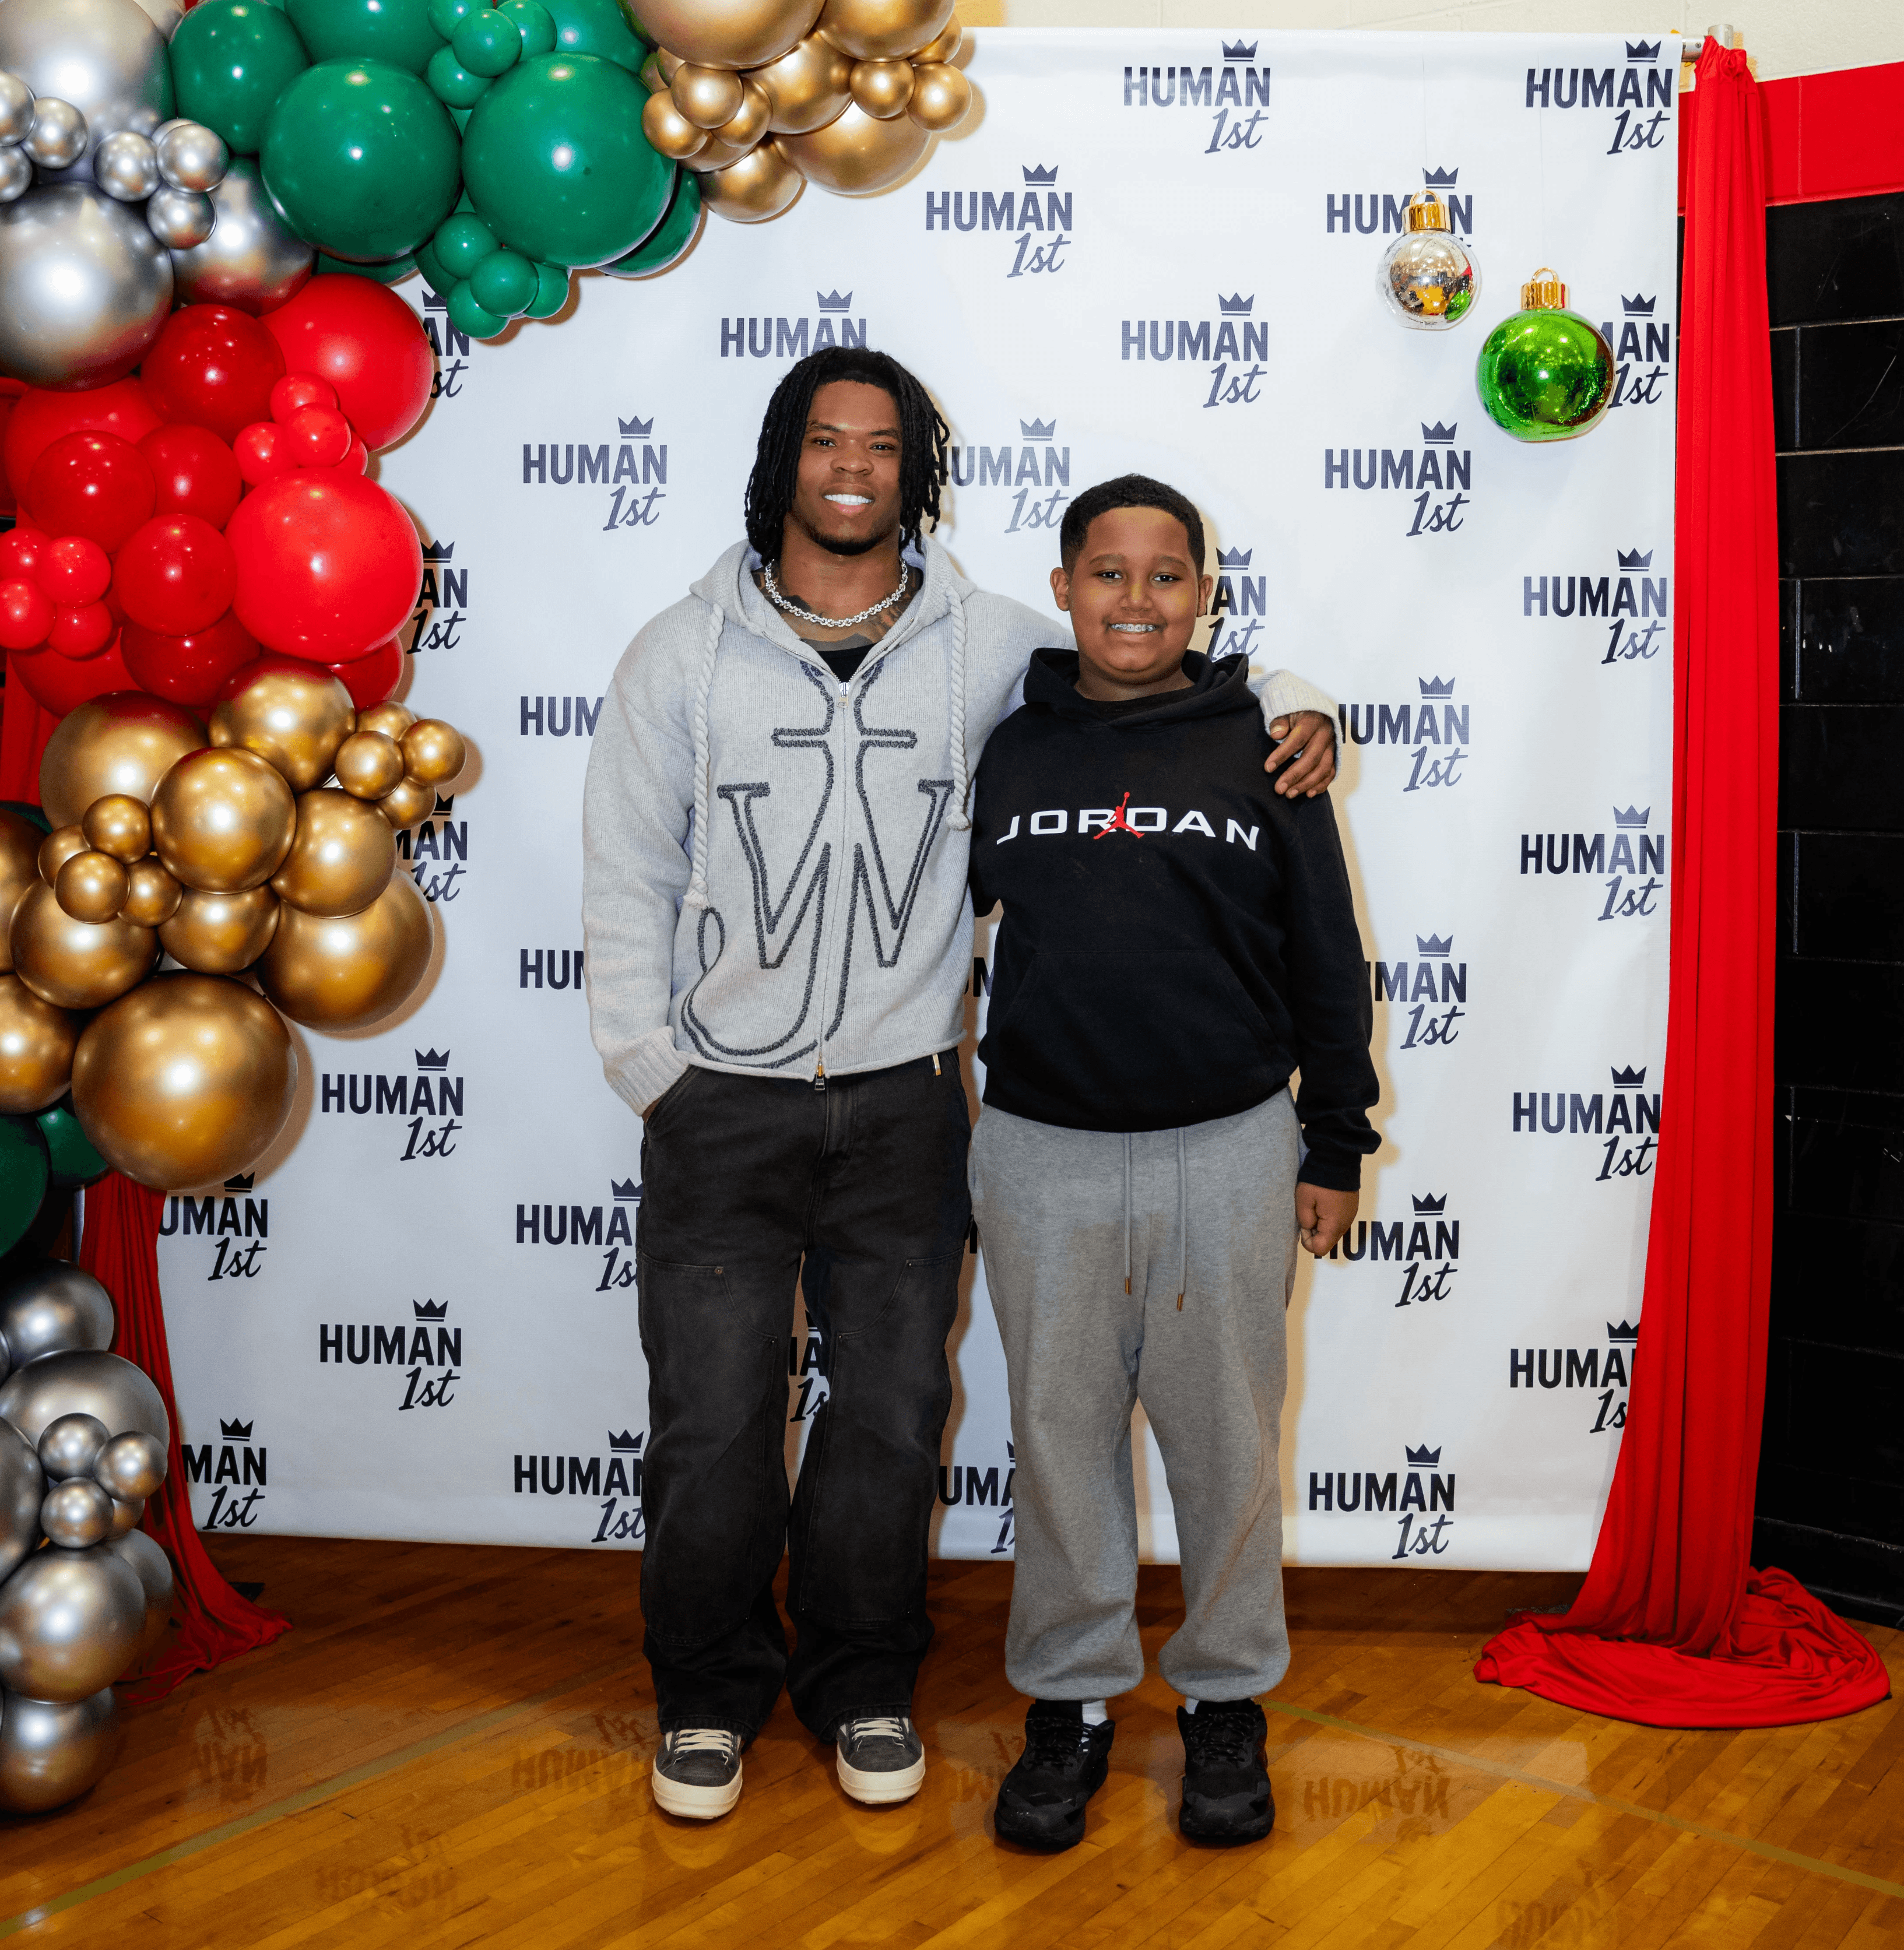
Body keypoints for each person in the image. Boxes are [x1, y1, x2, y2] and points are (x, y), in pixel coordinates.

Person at [580, 350, 1340, 1823]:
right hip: (720, 1107)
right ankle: (708, 1694)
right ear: (782, 460)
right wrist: (653, 1072)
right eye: (825, 441)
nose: (851, 468)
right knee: (712, 1423)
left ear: (915, 474)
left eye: (881, 446)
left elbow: (1157, 661)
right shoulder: (678, 654)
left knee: (888, 1417)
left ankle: (863, 1683)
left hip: (905, 1106)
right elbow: (627, 874)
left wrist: (1301, 702)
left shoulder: (990, 640)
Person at [966, 475, 1379, 1851]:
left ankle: (1223, 1698)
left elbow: (1326, 954)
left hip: (1229, 1146)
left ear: (1203, 593)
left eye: (1164, 574)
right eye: (1107, 572)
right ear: (1064, 587)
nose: (1135, 599)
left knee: (1226, 1447)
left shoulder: (1266, 747)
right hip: (1041, 1152)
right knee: (1058, 1443)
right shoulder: (1008, 749)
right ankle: (1070, 1700)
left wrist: (1336, 1137)